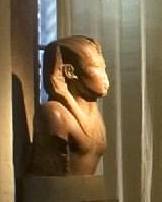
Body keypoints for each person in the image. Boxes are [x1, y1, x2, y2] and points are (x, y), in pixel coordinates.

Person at [30, 35, 109, 177]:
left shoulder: (96, 116)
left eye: (104, 67)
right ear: (69, 72)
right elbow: (51, 182)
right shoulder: (54, 113)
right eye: (96, 68)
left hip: (87, 195)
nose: (104, 76)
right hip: (59, 196)